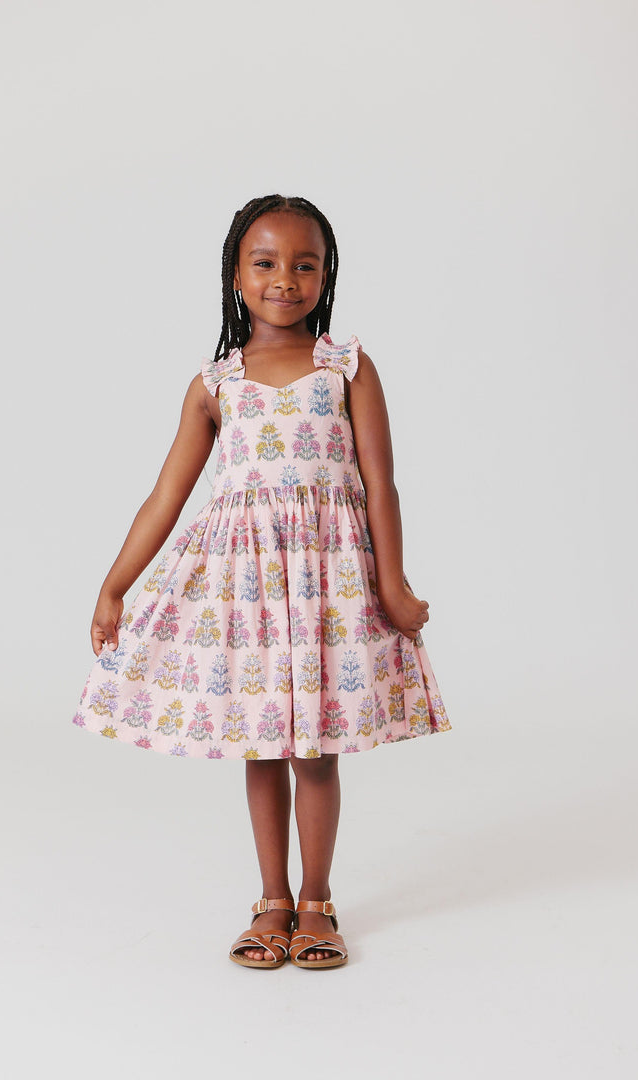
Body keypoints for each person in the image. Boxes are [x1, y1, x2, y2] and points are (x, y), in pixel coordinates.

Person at [72, 193, 452, 970]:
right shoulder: (215, 384)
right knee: (262, 747)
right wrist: (114, 586)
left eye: (304, 264)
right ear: (237, 277)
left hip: (326, 587)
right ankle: (270, 898)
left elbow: (381, 485)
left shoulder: (345, 367)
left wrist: (394, 584)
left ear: (326, 274)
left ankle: (317, 902)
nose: (286, 278)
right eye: (267, 262)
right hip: (245, 594)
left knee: (314, 749)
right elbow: (167, 494)